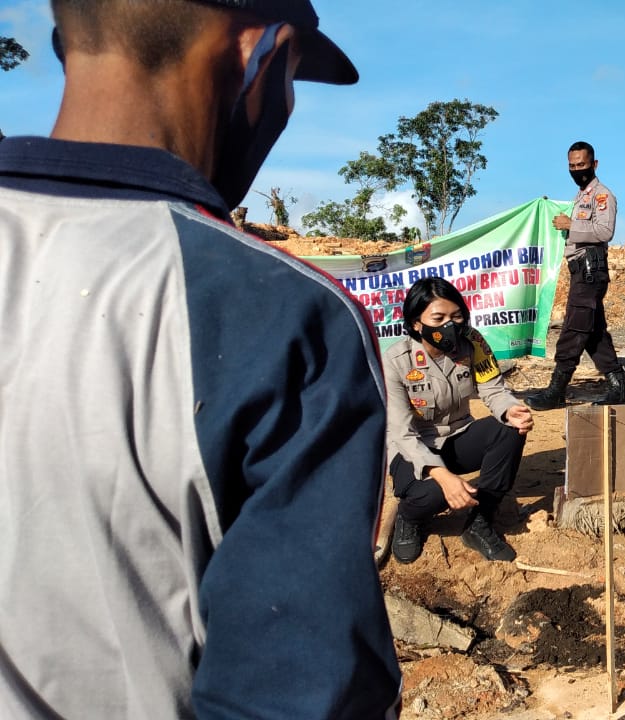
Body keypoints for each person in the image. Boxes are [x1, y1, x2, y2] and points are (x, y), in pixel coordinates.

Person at [0, 1, 401, 717]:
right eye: (294, 80)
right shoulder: (282, 317)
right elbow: (299, 692)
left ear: (67, 43)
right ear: (259, 57)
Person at [386, 277, 535, 564]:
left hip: (458, 435)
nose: (449, 325)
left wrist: (509, 410)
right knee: (434, 493)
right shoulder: (396, 361)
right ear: (417, 323)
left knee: (509, 430)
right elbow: (402, 433)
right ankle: (409, 518)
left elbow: (493, 388)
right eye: (438, 318)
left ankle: (480, 521)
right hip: (411, 449)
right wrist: (442, 476)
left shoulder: (473, 342)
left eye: (456, 316)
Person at [526, 140, 625, 409]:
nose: (576, 170)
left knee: (573, 328)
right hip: (580, 269)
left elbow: (605, 232)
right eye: (572, 166)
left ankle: (557, 390)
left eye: (581, 165)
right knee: (593, 332)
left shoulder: (602, 195)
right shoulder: (580, 196)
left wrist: (571, 225)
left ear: (594, 164)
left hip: (590, 269)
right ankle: (618, 386)